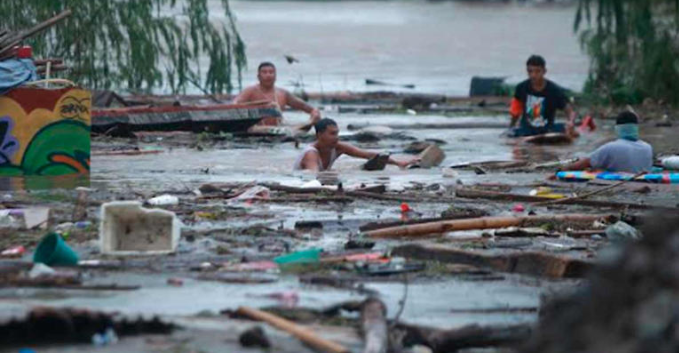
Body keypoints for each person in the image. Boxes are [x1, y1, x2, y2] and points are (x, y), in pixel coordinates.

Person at [294, 118, 417, 171]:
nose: (336, 137)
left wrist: (398, 162)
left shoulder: (338, 147)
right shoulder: (311, 154)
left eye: (337, 133)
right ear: (319, 135)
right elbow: (313, 176)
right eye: (332, 134)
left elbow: (367, 154)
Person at [235, 62, 321, 133]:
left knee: (298, 128)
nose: (268, 75)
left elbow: (304, 106)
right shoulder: (250, 91)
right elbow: (234, 105)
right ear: (258, 76)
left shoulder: (282, 93)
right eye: (264, 72)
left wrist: (314, 112)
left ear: (275, 76)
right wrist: (261, 106)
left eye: (271, 72)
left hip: (279, 128)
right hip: (256, 128)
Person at [509, 55, 578, 138]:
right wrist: (511, 128)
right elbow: (515, 112)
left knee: (568, 130)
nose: (533, 75)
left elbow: (570, 111)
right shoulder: (521, 88)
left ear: (544, 71)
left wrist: (571, 123)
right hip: (526, 130)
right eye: (530, 71)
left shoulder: (554, 90)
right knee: (511, 133)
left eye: (537, 71)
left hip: (547, 129)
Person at [562, 111, 653, 173]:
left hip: (620, 185)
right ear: (636, 128)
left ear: (617, 129)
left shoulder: (611, 147)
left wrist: (565, 169)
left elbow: (586, 162)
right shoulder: (648, 147)